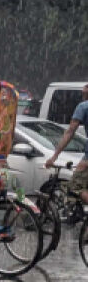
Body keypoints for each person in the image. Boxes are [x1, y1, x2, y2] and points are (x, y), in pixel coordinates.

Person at [44, 82, 88, 221]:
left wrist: (54, 156)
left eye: (84, 90)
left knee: (75, 187)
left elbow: (70, 132)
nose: (82, 92)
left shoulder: (83, 106)